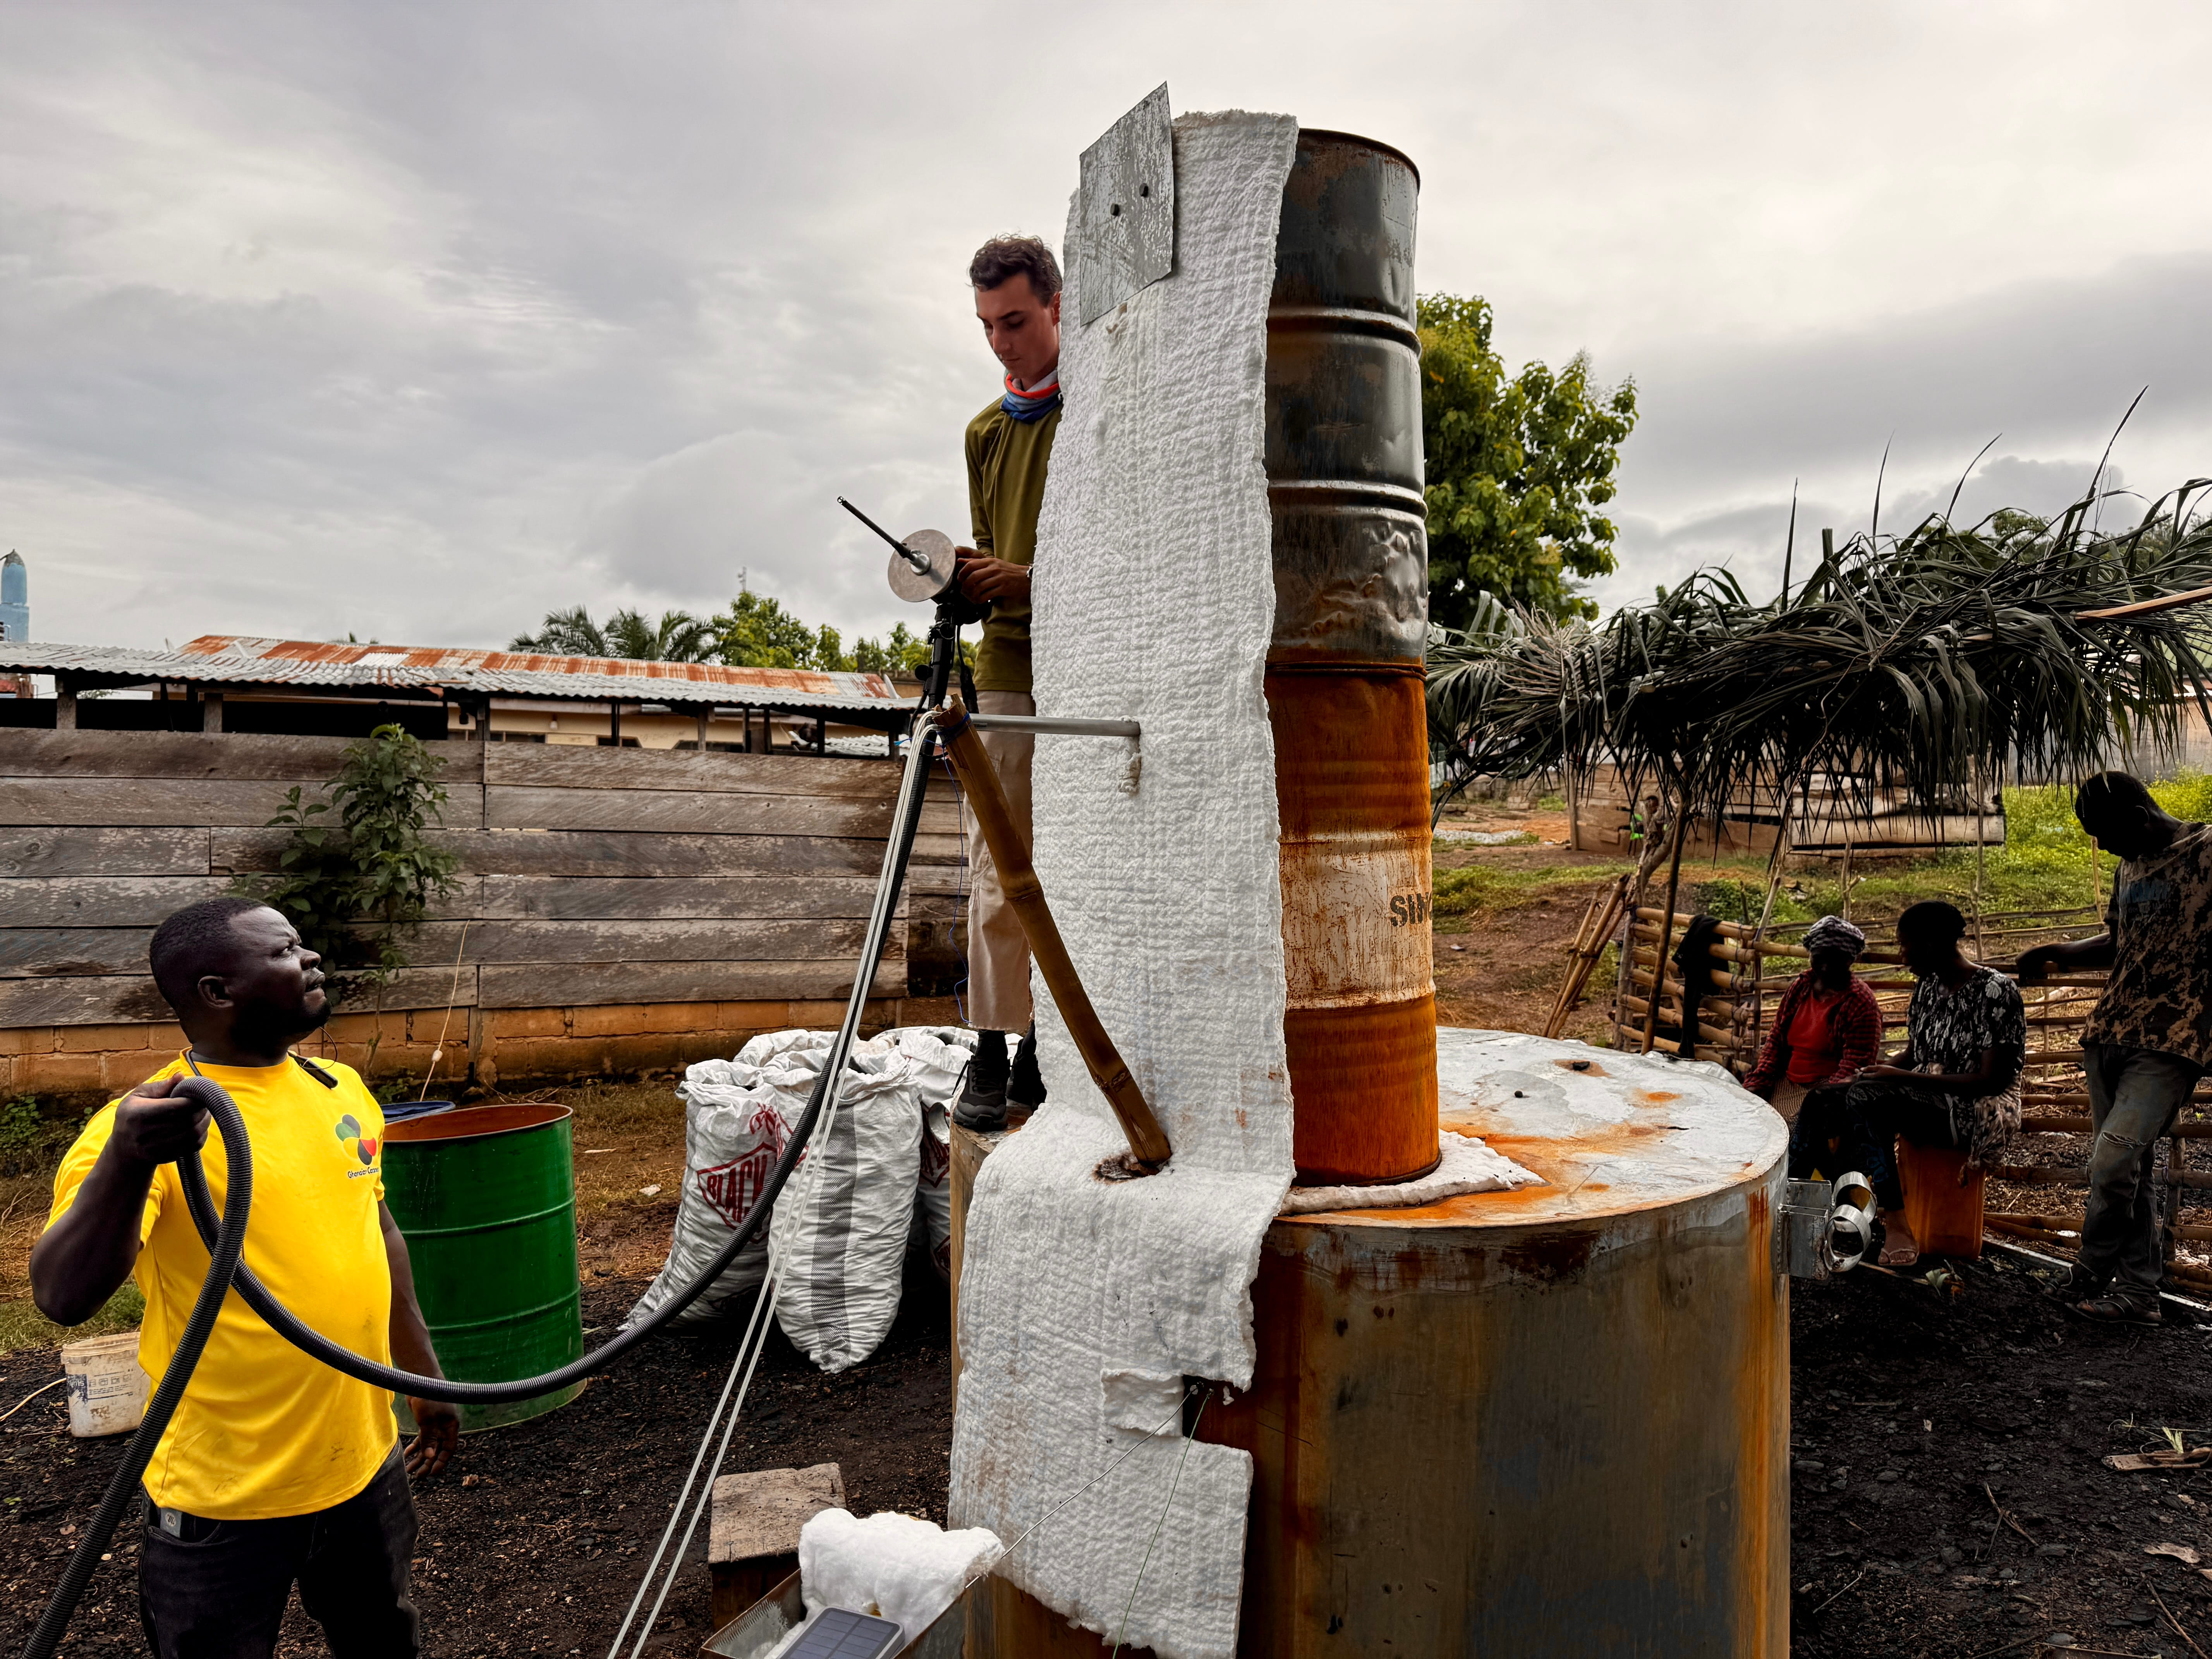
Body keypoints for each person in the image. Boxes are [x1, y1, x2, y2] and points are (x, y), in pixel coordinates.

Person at [31, 897, 457, 1657]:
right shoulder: (151, 1124)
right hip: (222, 1501)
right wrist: (127, 1163)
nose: (312, 958)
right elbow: (61, 1295)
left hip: (364, 1467)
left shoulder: (340, 1089)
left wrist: (424, 1379)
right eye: (286, 950)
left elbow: (380, 1234)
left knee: (384, 1639)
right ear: (218, 991)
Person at [2019, 771, 2212, 1324]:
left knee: (2114, 1160)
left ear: (2138, 817)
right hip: (2110, 1031)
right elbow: (2118, 941)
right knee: (2131, 1171)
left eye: (2105, 833)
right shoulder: (2129, 865)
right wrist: (2059, 949)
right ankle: (2136, 1294)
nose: (2102, 846)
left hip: (2173, 1039)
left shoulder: (2207, 849)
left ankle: (2092, 1266)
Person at [951, 234, 1061, 1129]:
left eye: (1016, 321)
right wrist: (973, 578)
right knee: (999, 858)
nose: (1001, 343)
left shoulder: (1098, 414)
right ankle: (992, 1046)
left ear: (1057, 308)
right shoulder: (985, 433)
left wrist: (1033, 578)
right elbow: (994, 548)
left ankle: (1046, 1047)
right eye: (988, 326)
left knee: (1085, 860)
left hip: (1095, 658)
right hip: (1010, 668)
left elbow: (1128, 551)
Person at [1790, 900, 2024, 1266]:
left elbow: (1991, 1080)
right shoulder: (1929, 987)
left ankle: (1898, 1227)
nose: (1901, 955)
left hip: (1977, 1109)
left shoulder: (1996, 991)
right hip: (1927, 1093)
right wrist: (1865, 1074)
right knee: (1823, 1098)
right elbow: (1915, 1053)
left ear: (1929, 945)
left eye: (1904, 945)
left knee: (1867, 1100)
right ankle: (1798, 1206)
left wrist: (1896, 1078)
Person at [1741, 915, 1882, 1124]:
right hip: (1786, 1079)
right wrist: (1760, 1081)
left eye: (1835, 960)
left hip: (1828, 1088)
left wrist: (1820, 1097)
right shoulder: (1801, 987)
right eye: (1819, 958)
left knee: (1788, 1129)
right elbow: (1776, 1039)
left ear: (1850, 960)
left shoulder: (1860, 1002)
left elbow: (1855, 1065)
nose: (1825, 967)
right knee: (1746, 1116)